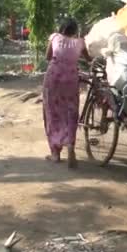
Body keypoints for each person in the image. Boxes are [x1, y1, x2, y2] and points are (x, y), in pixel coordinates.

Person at [43, 18, 91, 168]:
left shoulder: (55, 37)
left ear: (61, 28)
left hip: (53, 78)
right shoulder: (81, 42)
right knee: (71, 112)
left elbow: (48, 56)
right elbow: (89, 59)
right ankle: (70, 145)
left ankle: (55, 153)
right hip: (71, 79)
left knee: (52, 113)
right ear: (75, 30)